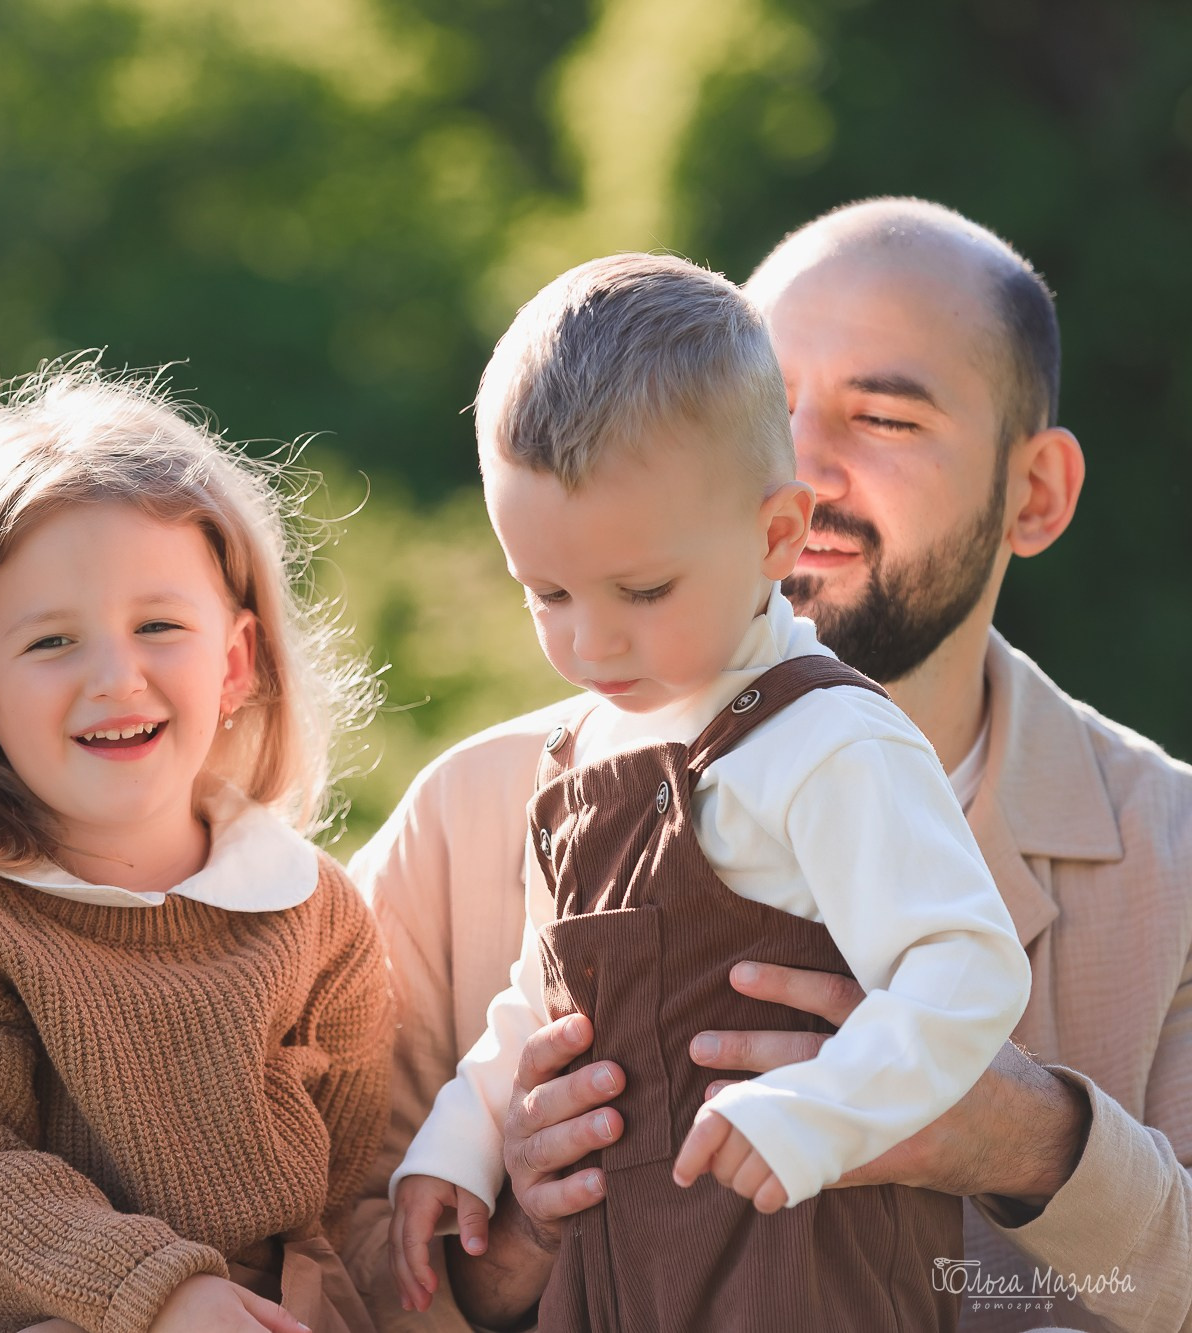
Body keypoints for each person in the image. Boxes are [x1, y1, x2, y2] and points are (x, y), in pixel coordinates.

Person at [345, 199, 1192, 1333]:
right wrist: (511, 1244)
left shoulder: (1177, 866)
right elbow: (315, 1259)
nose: (805, 458)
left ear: (1033, 491)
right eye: (769, 402)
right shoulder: (469, 814)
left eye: (883, 417)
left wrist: (1031, 1143)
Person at [0, 367, 395, 1333]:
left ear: (234, 662)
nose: (118, 676)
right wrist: (160, 1291)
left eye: (159, 626)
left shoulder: (312, 912)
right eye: (52, 643)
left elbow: (333, 1194)